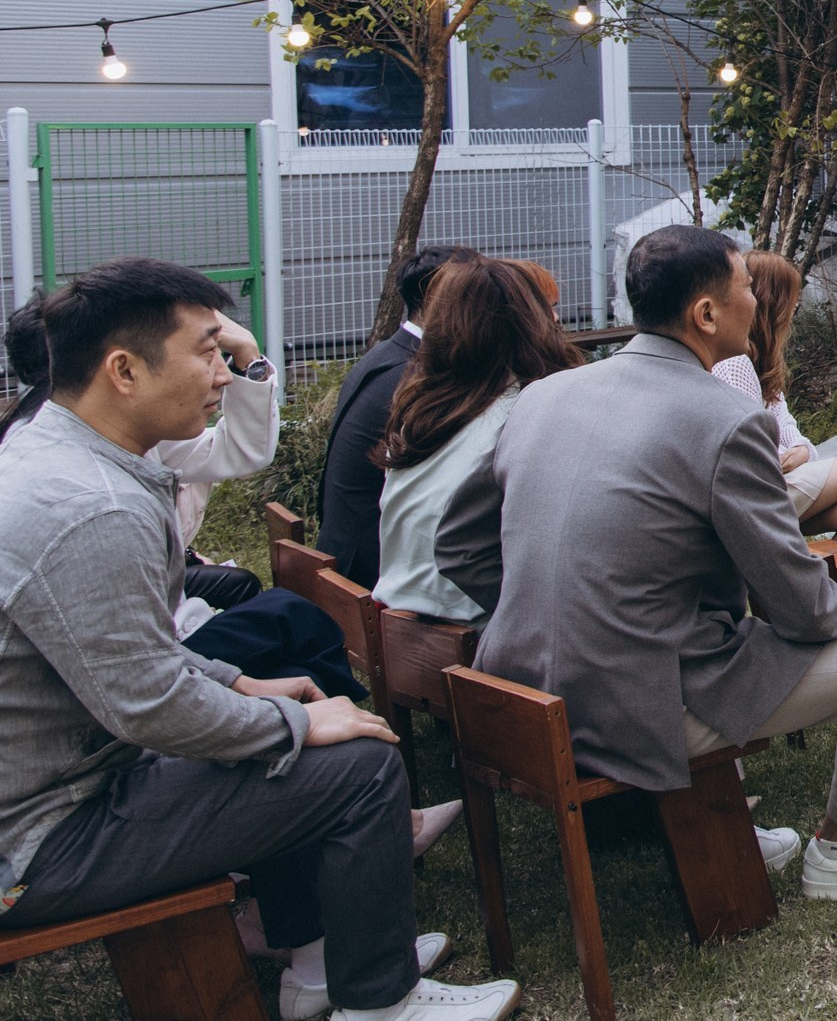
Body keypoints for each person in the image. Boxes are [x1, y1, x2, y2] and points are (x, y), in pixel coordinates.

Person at [0, 258, 514, 1021]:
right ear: (124, 370)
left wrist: (243, 686)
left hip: (63, 793)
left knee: (285, 712)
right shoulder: (91, 507)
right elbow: (151, 706)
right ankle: (380, 1003)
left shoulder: (60, 456)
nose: (224, 372)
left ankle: (321, 970)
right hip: (46, 838)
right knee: (358, 764)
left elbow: (132, 653)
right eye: (208, 350)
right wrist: (298, 721)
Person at [436, 224, 837, 899]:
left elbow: (456, 542)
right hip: (638, 704)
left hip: (520, 684)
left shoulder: (545, 392)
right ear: (706, 313)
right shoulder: (724, 417)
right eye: (746, 283)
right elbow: (798, 599)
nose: (757, 298)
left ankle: (775, 824)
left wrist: (554, 604)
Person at [5, 300, 276, 611]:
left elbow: (242, 451)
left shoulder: (104, 426)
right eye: (204, 353)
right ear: (118, 367)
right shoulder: (80, 480)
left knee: (269, 606)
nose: (221, 376)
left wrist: (249, 359)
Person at [371, 256, 585, 623]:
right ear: (531, 323)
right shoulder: (527, 411)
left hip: (400, 618)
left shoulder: (421, 409)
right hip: (470, 623)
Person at [319, 247, 471, 587]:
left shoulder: (388, 353)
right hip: (373, 568)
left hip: (343, 548)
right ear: (441, 298)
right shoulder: (416, 373)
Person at [712, 251, 837, 548]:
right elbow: (756, 452)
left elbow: (783, 421)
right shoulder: (733, 363)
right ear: (771, 300)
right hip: (755, 495)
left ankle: (823, 594)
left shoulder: (761, 361)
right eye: (792, 298)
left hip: (776, 483)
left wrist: (800, 449)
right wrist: (791, 454)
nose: (796, 307)